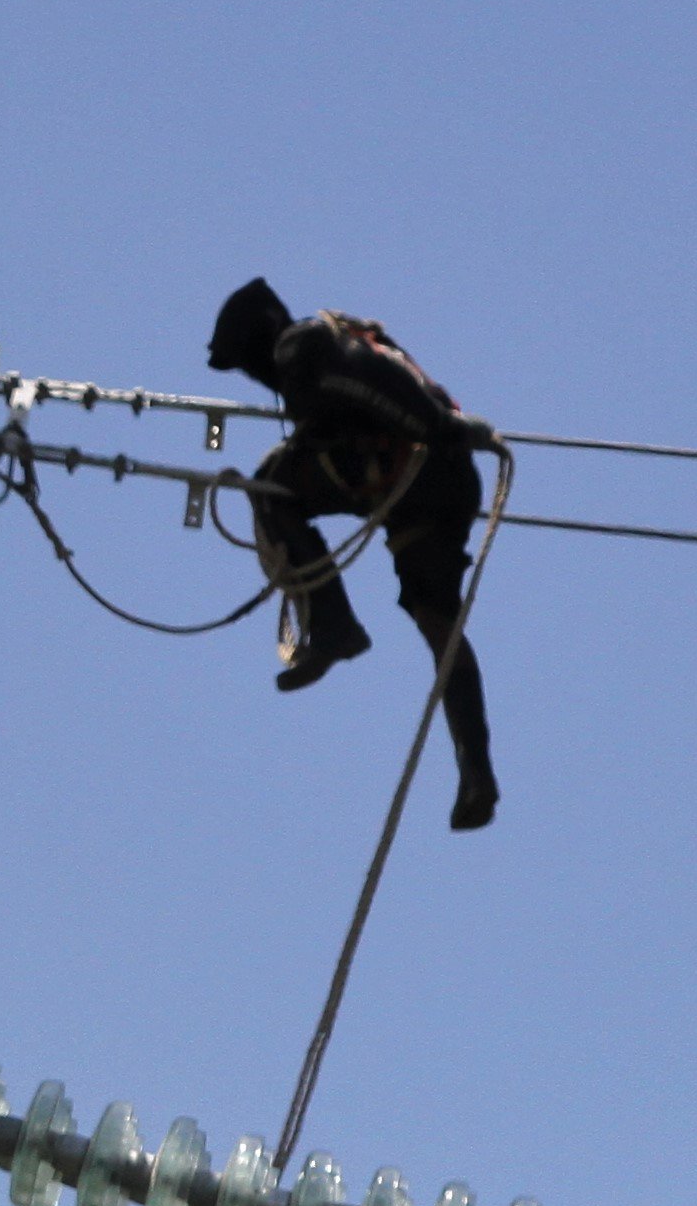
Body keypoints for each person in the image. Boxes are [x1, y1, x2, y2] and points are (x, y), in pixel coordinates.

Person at [208, 276, 506, 830]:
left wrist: (439, 427)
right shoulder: (328, 343)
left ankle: (334, 625)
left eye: (245, 361)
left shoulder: (298, 346)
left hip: (413, 468)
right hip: (442, 484)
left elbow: (375, 381)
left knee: (270, 488)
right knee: (437, 623)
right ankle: (477, 775)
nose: (253, 374)